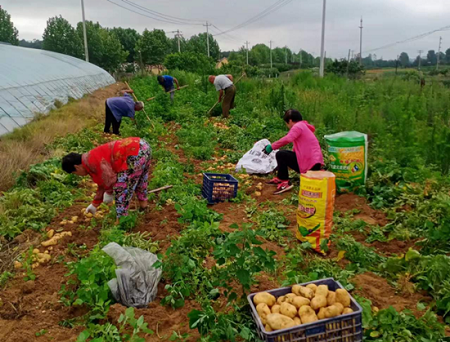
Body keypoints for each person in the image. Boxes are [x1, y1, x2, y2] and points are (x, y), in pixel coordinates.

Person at [62, 137, 152, 220]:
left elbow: (110, 178)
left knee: (121, 187)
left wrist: (109, 193)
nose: (78, 175)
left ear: (77, 167)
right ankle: (144, 207)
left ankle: (121, 220)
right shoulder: (89, 158)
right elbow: (102, 183)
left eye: (75, 173)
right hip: (143, 146)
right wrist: (95, 204)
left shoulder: (92, 162)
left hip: (134, 153)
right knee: (141, 180)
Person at [264, 109, 324, 194]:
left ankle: (284, 182)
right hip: (314, 163)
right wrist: (282, 166)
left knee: (281, 154)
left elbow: (288, 138)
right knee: (284, 155)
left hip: (310, 164)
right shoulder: (304, 126)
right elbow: (296, 151)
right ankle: (281, 177)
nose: (287, 125)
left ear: (290, 120)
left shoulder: (298, 126)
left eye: (286, 122)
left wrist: (272, 146)